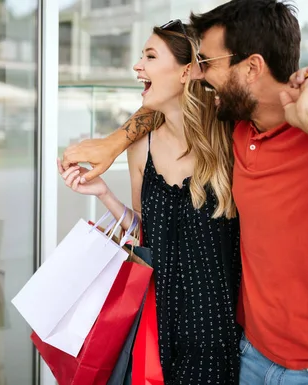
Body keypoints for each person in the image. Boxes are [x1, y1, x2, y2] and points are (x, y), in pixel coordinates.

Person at [61, 1, 308, 384]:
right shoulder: (239, 131)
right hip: (249, 356)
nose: (199, 73)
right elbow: (166, 110)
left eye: (208, 63)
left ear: (251, 67)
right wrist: (114, 144)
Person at [59, 21, 242, 384]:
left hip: (215, 337)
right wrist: (103, 195)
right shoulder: (141, 147)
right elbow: (147, 234)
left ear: (187, 70)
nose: (137, 66)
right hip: (154, 329)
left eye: (150, 56)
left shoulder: (228, 139)